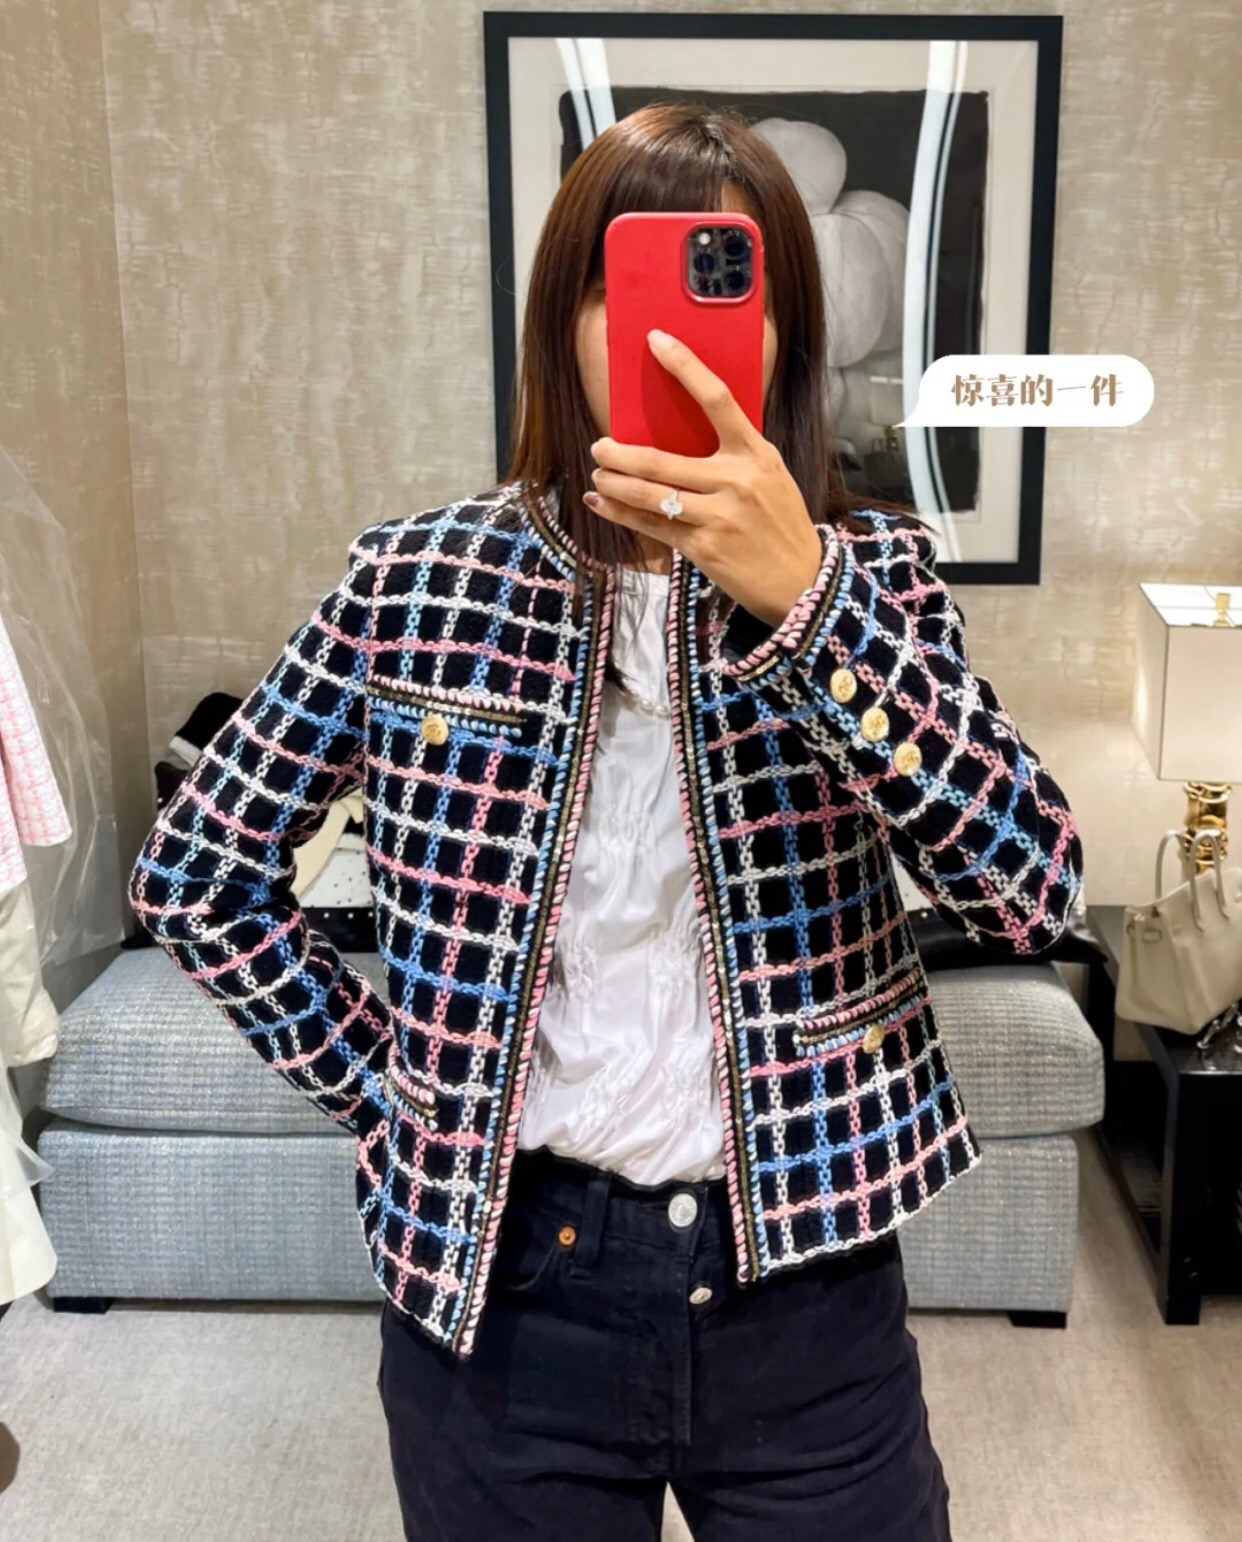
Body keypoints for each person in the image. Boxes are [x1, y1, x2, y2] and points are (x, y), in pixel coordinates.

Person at [127, 103, 1084, 1540]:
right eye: (622, 282)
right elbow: (198, 874)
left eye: (730, 282)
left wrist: (805, 604)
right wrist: (393, 1086)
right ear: (562, 318)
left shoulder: (876, 577)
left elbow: (1032, 891)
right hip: (503, 1298)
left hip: (805, 1289)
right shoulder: (416, 580)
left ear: (785, 331)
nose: (675, 331)